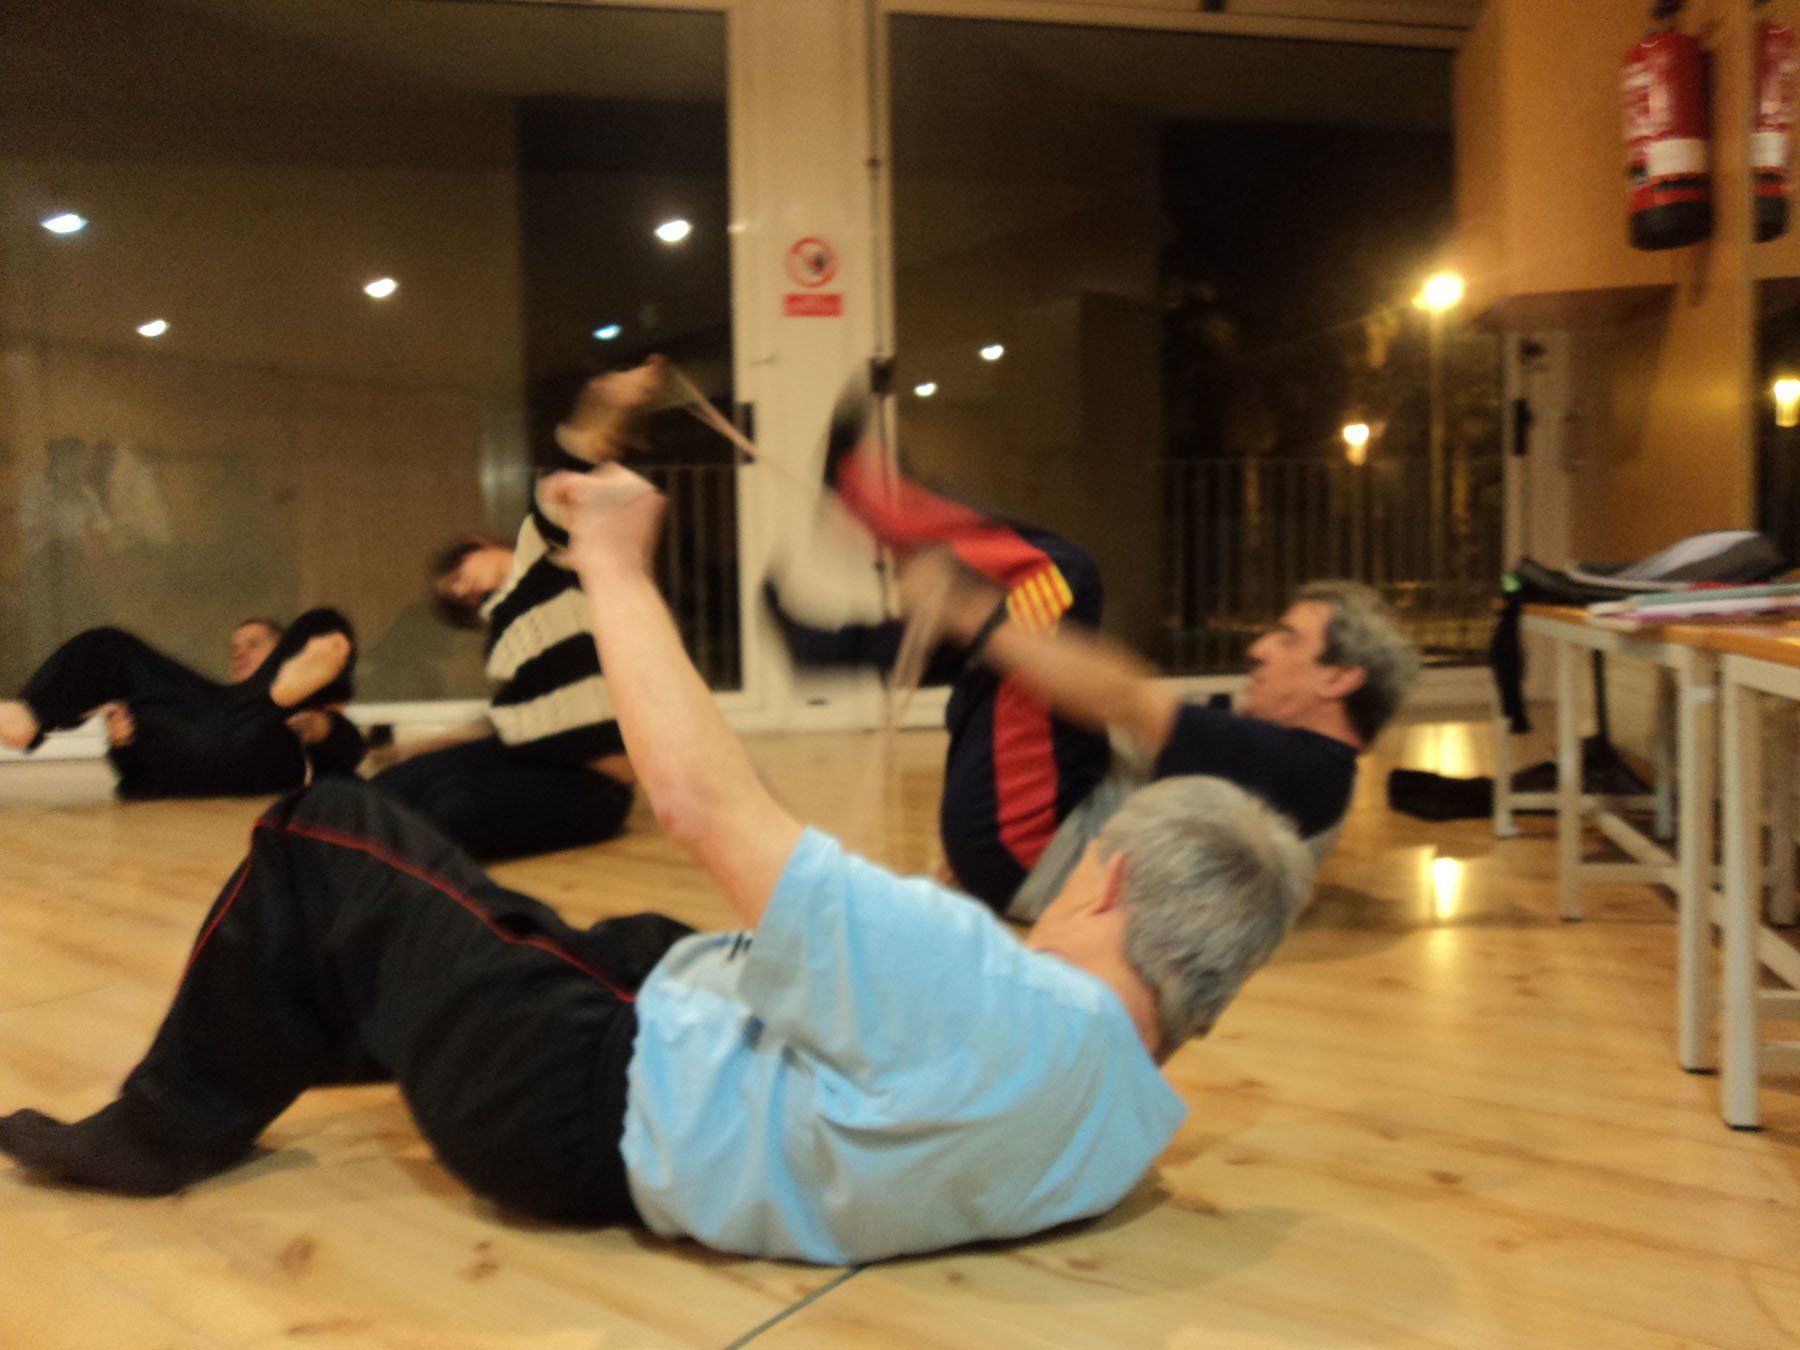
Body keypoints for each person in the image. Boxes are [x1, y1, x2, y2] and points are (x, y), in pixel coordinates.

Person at [0, 462, 1313, 1266]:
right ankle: (342, 1003)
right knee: (575, 924)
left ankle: (157, 1127)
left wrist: (616, 566)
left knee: (327, 831)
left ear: (1112, 883)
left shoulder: (985, 984)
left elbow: (693, 796)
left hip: (570, 1093)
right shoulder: (1134, 1127)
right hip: (654, 1052)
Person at [768, 384, 1420, 918]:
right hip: (1025, 851)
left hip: (1032, 848)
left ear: (1340, 678)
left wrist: (966, 608)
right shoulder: (1304, 769)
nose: (1258, 648)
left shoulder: (1307, 766)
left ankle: (875, 505)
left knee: (1060, 576)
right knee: (1026, 632)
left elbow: (1121, 696)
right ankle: (831, 642)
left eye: (1288, 639)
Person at [366, 356, 666, 861]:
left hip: (590, 784)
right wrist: (418, 749)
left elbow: (573, 464)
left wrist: (607, 402)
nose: (460, 589)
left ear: (482, 542)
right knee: (384, 791)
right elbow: (506, 722)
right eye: (454, 595)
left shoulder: (545, 561)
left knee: (447, 813)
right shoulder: (505, 624)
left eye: (458, 572)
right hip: (524, 755)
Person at [0, 611, 363, 800]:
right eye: (235, 647)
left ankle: (273, 697)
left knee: (322, 625)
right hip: (202, 745)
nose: (239, 653)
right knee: (111, 648)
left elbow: (350, 754)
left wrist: (321, 727)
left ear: (284, 654)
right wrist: (122, 746)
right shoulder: (195, 702)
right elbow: (140, 783)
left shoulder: (309, 710)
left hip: (263, 746)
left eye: (253, 645)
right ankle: (29, 715)